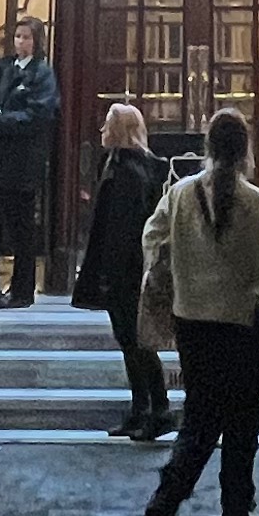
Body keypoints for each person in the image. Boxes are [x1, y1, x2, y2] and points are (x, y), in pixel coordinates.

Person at [138, 107, 259, 516]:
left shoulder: (180, 194)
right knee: (240, 435)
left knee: (198, 422)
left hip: (192, 327)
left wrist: (175, 279)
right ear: (246, 148)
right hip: (239, 332)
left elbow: (151, 240)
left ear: (208, 147)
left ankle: (165, 501)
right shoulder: (254, 202)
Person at [76, 101, 175, 439]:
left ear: (118, 132)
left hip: (125, 271)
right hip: (130, 268)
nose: (102, 131)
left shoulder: (125, 173)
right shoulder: (131, 167)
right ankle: (141, 408)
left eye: (107, 125)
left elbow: (121, 229)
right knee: (131, 341)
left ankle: (156, 408)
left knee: (136, 341)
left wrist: (109, 273)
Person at [0, 17, 60, 309]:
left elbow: (39, 116)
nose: (21, 43)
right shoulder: (8, 70)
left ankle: (23, 291)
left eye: (27, 37)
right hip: (1, 160)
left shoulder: (43, 74)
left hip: (24, 162)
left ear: (37, 41)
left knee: (23, 229)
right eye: (17, 37)